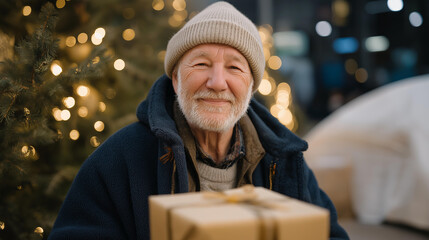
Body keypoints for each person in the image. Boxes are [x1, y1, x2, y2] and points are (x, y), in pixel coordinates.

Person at [49, 1, 349, 239]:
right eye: (202, 64)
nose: (217, 82)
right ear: (177, 79)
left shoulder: (284, 160)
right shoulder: (118, 161)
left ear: (251, 86)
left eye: (234, 67)